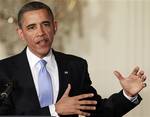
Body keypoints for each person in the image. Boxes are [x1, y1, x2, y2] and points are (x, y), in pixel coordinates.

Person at [0, 1, 147, 117]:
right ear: (21, 33)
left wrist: (127, 94)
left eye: (46, 24)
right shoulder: (4, 70)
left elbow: (97, 111)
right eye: (32, 27)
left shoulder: (75, 66)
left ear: (55, 27)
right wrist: (54, 110)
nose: (41, 32)